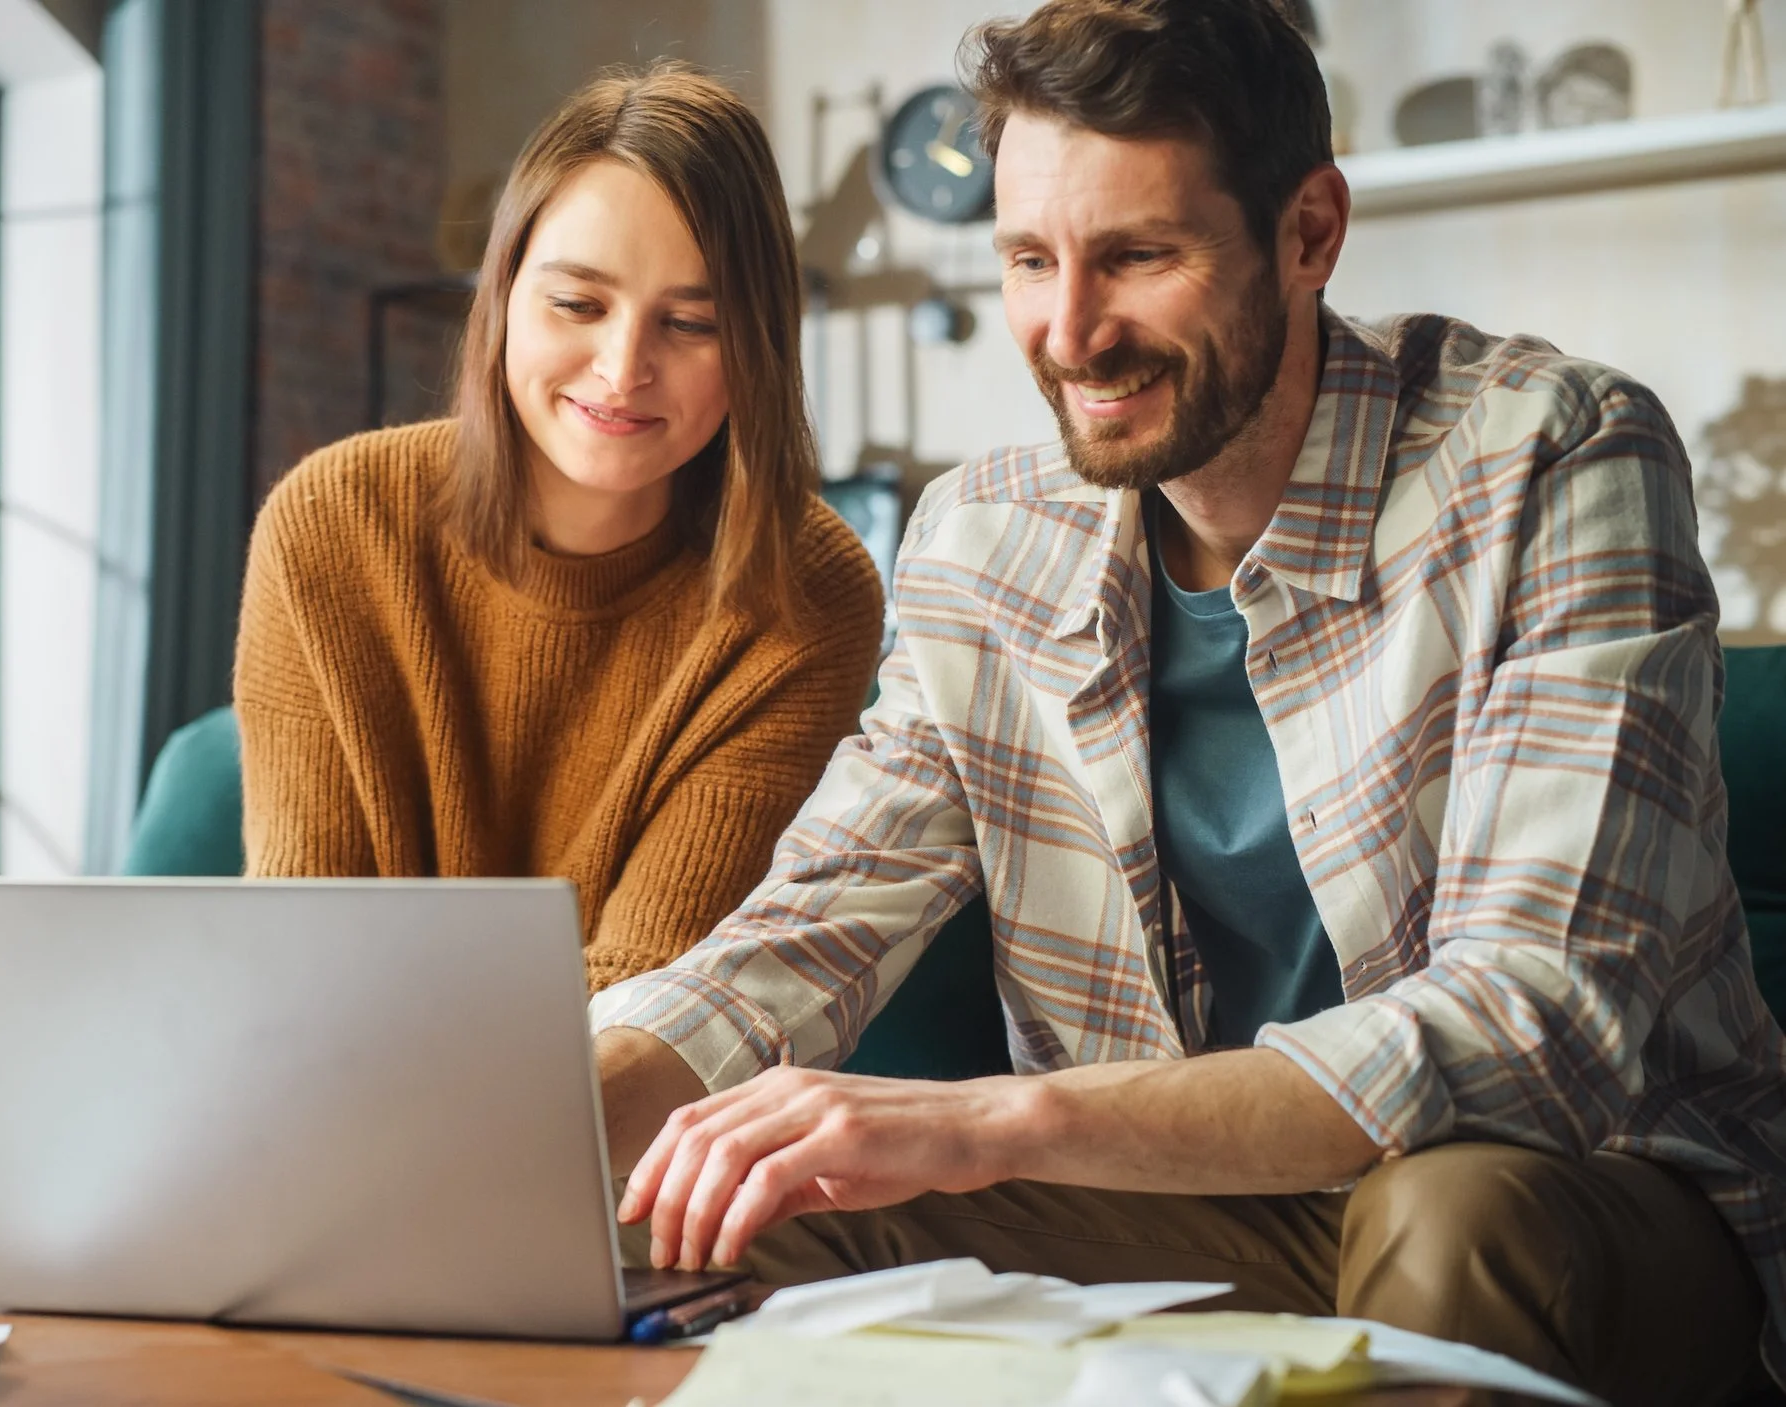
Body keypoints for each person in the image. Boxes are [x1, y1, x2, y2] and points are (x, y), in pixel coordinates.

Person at [592, 3, 1786, 1402]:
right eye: (1031, 260)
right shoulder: (982, 536)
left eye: (1138, 256)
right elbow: (815, 922)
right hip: (1190, 1210)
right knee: (707, 1206)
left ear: (1308, 232)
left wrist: (999, 1119)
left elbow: (1533, 1021)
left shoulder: (1552, 454)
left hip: (1595, 1204)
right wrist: (523, 1129)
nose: (1071, 331)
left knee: (1446, 1212)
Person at [0, 64, 885, 1212]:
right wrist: (121, 1079)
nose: (624, 368)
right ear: (503, 296)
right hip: (333, 1134)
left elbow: (653, 1000)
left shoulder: (807, 587)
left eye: (691, 323)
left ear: (759, 345)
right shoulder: (335, 521)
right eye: (577, 304)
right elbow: (303, 935)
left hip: (599, 1161)